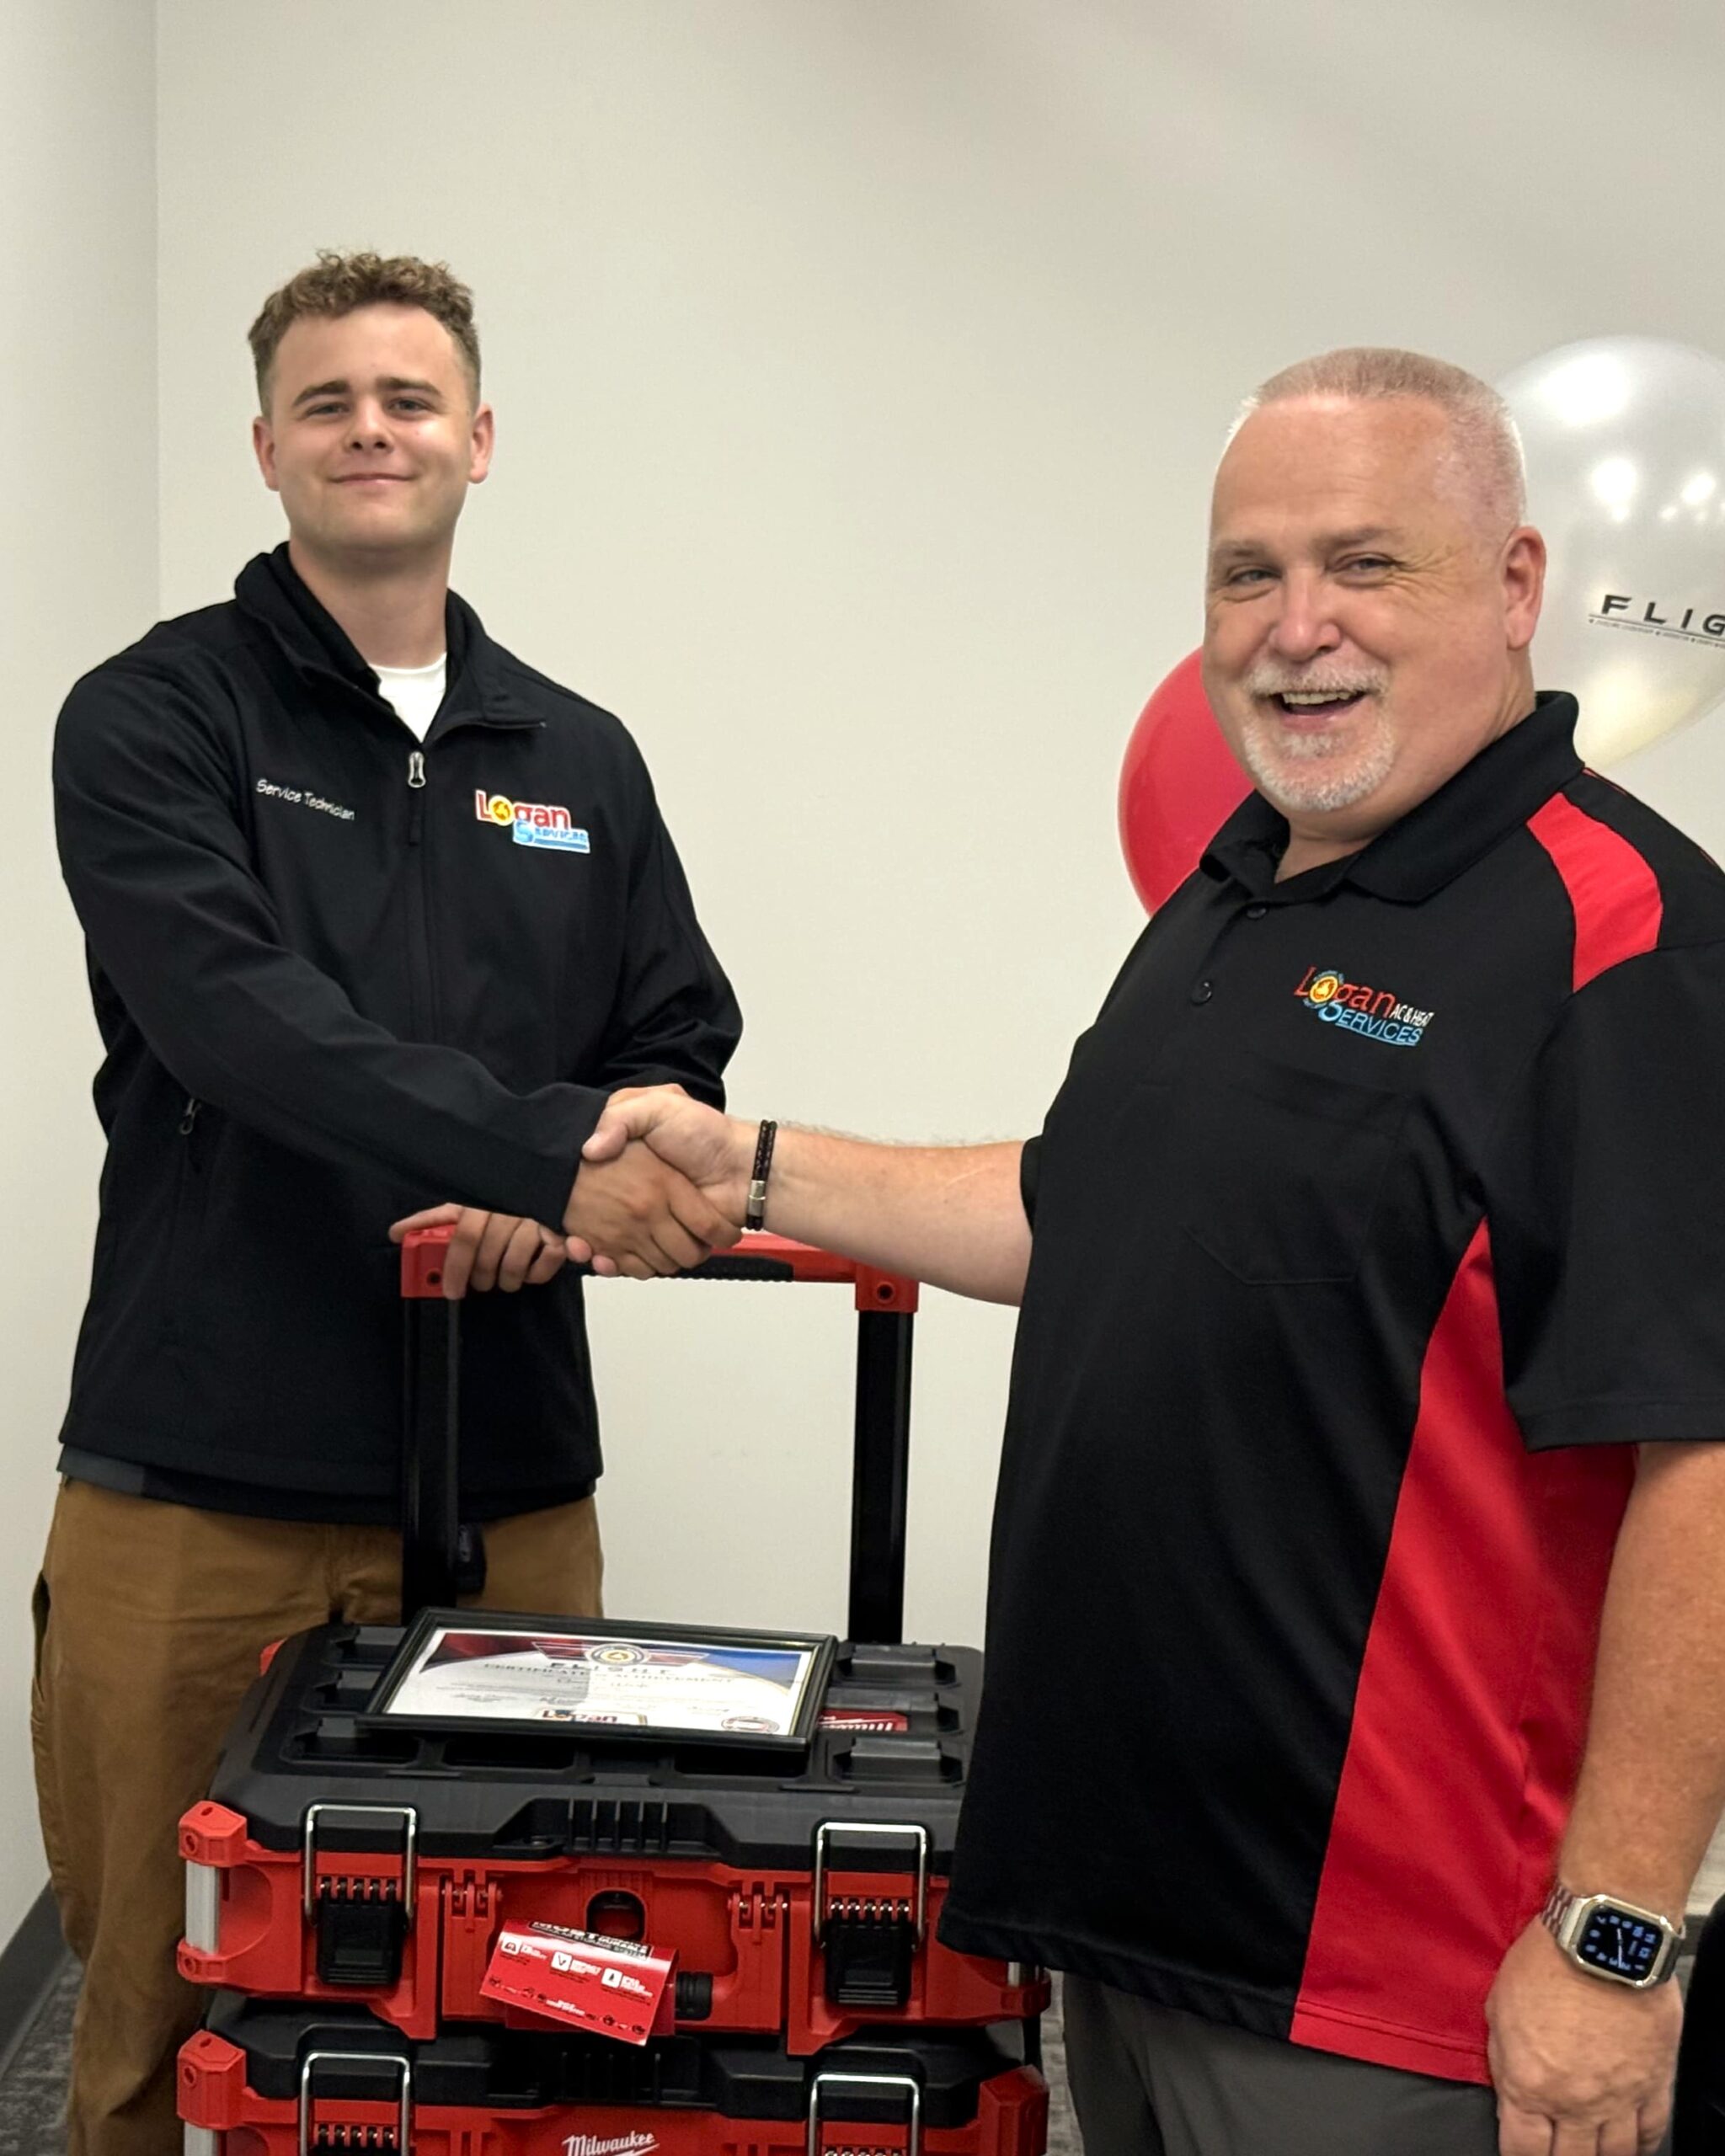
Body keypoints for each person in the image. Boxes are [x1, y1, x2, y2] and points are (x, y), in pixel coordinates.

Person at [568, 350, 1725, 2156]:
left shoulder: (1627, 937)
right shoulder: (1238, 886)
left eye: (1365, 563)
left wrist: (1615, 1940)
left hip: (1393, 1991)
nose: (1296, 626)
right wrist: (755, 1163)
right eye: (1248, 573)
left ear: (1515, 586)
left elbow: (1706, 1458)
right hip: (1129, 1921)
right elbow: (1084, 1207)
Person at [35, 250, 741, 2156]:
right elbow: (235, 1023)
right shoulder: (153, 716)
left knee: (513, 2000)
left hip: (504, 1485)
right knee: (159, 2004)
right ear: (266, 445)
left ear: (477, 440)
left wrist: (562, 1187)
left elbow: (678, 1034)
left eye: (410, 399)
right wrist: (529, 1152)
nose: (372, 429)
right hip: (198, 1481)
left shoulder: (576, 755)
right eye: (329, 401)